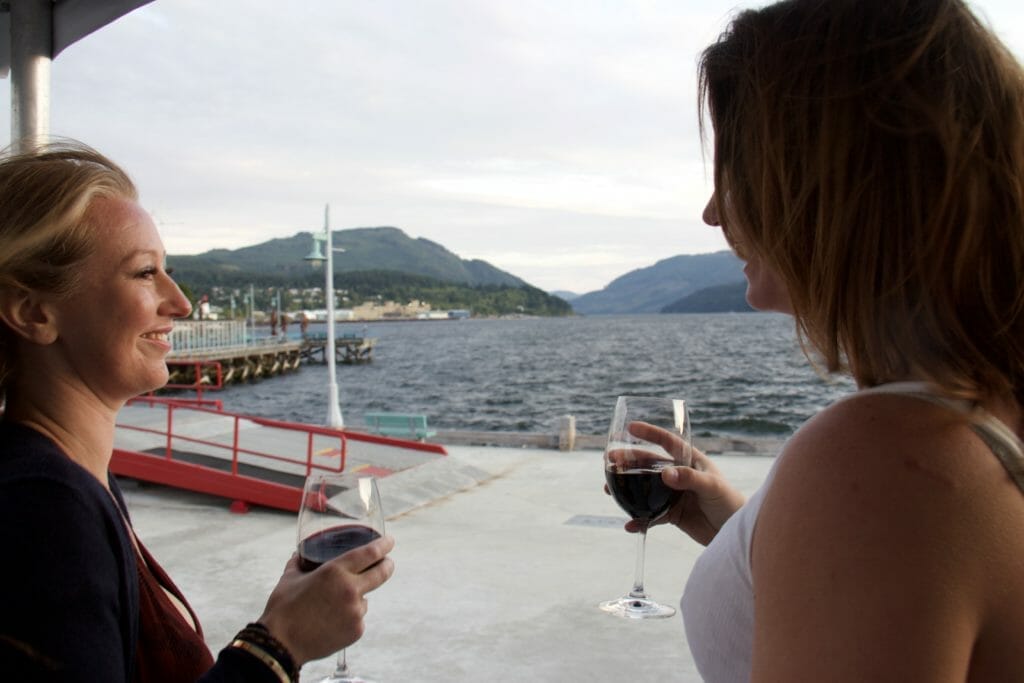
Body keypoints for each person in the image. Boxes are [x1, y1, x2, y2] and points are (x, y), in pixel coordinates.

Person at [632, 1, 1024, 680]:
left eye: (738, 169)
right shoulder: (979, 418)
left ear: (831, 183)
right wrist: (753, 534)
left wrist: (827, 505)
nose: (714, 211)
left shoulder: (884, 459)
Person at [0, 142, 395, 682]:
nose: (181, 303)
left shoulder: (75, 481)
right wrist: (279, 645)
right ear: (33, 311)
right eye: (144, 273)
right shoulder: (42, 512)